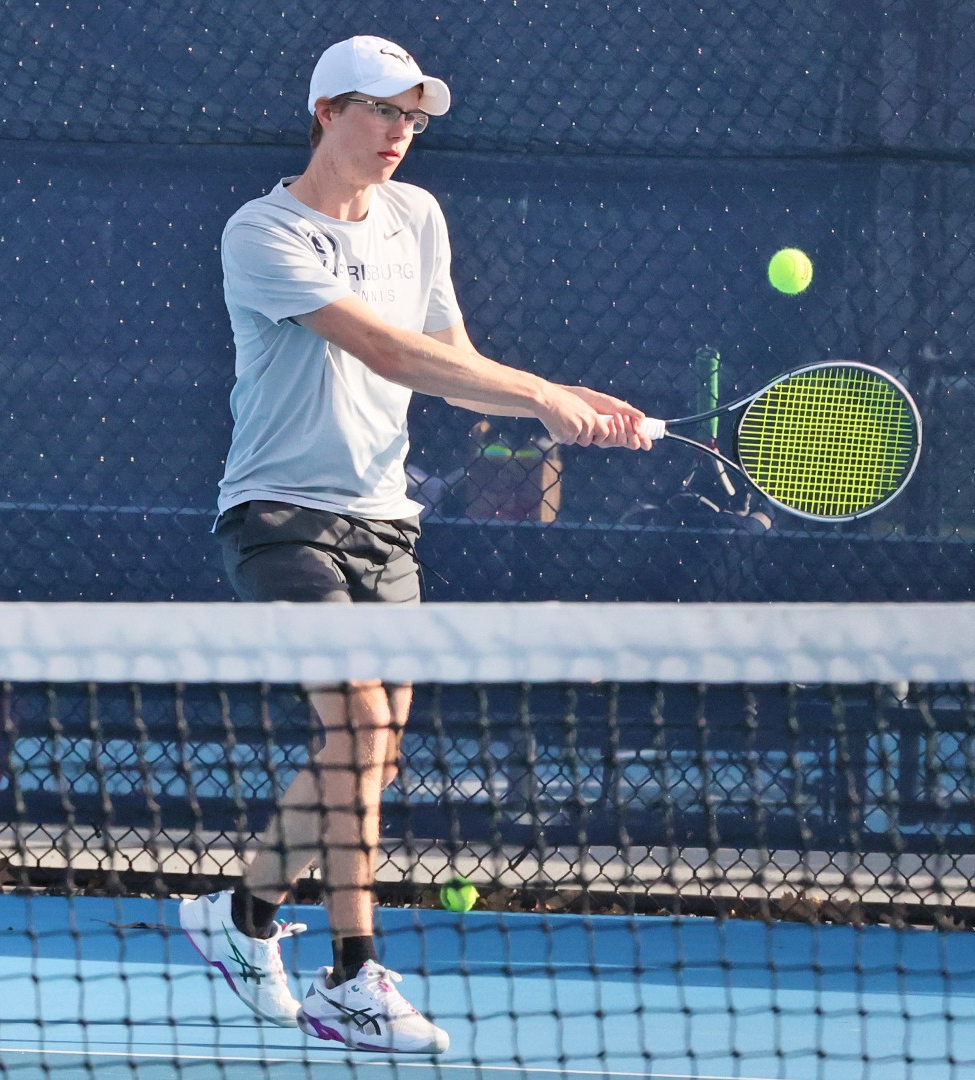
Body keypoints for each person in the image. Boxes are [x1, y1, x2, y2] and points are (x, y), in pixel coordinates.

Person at [177, 35, 652, 1055]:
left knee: (374, 753)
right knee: (355, 725)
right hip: (280, 518)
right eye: (383, 111)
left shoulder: (418, 217)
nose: (402, 131)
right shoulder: (263, 232)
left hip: (387, 522)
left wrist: (555, 405)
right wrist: (543, 394)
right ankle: (352, 977)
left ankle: (242, 915)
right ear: (326, 113)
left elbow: (448, 360)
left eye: (414, 116)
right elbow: (384, 348)